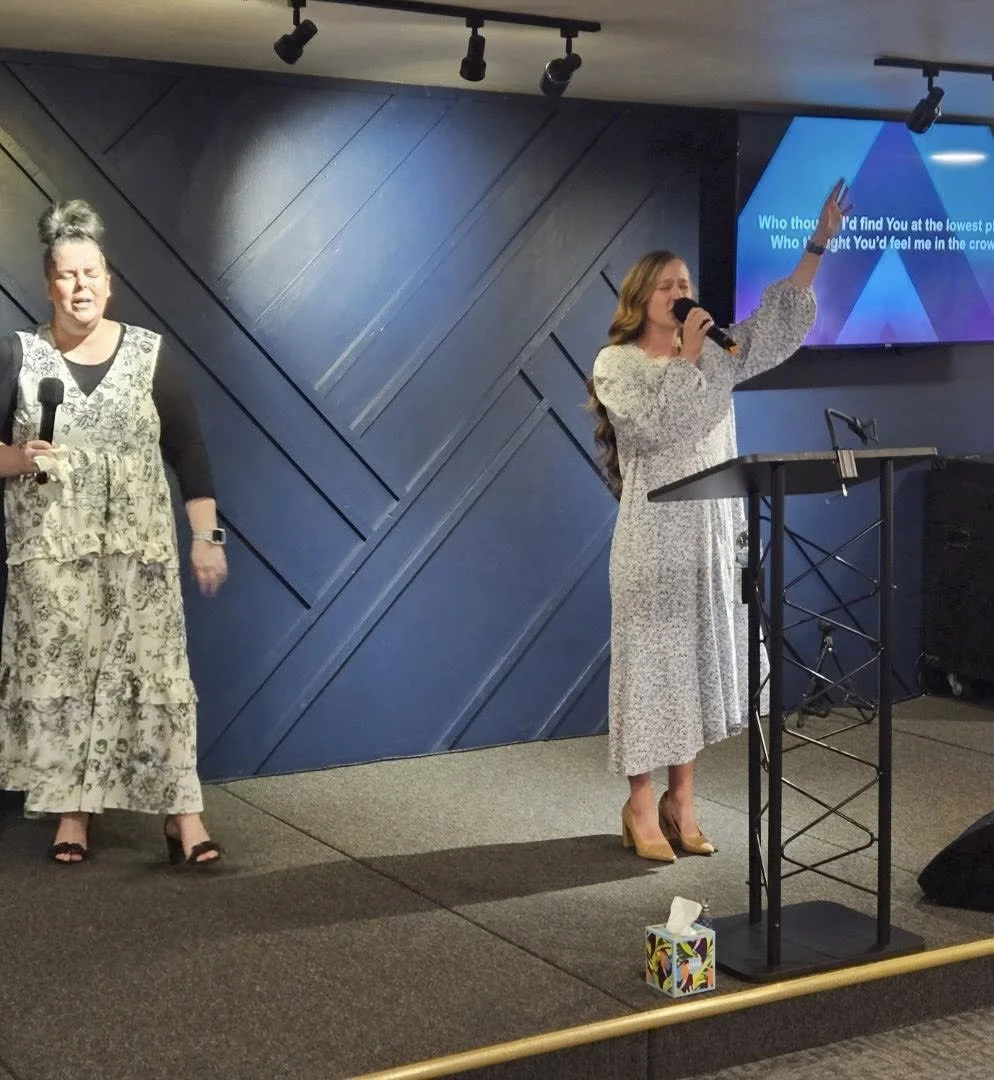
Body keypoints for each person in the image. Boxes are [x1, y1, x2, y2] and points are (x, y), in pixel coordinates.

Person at [587, 180, 852, 862]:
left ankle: (682, 800)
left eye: (686, 283)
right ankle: (640, 802)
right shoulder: (617, 364)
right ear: (641, 299)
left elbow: (774, 330)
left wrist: (817, 244)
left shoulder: (716, 351)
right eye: (668, 285)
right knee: (652, 671)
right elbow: (655, 429)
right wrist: (685, 357)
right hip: (654, 540)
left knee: (696, 670)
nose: (682, 291)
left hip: (711, 539)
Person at [0, 199, 228, 866]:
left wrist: (206, 537)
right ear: (49, 285)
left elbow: (189, 451)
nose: (80, 286)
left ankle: (184, 814)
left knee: (156, 675)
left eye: (90, 273)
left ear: (109, 281)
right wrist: (18, 459)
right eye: (67, 275)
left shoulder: (150, 354)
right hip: (51, 558)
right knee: (66, 676)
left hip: (139, 557)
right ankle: (71, 812)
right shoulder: (21, 354)